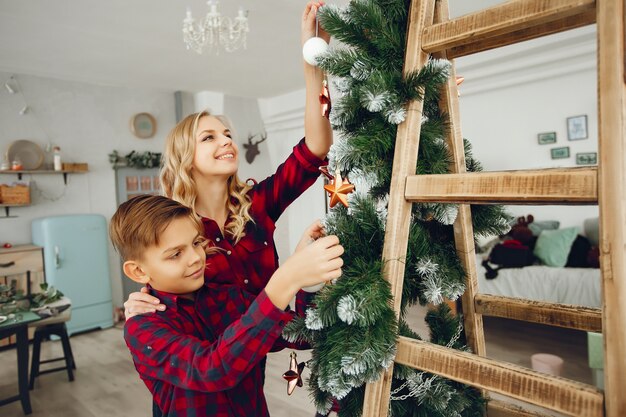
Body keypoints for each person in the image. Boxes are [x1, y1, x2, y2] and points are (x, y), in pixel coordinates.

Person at [124, 0, 332, 324]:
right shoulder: (173, 229)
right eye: (208, 138)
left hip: (264, 351)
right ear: (185, 159)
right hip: (214, 363)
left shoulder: (258, 204)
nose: (226, 141)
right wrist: (141, 301)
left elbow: (316, 148)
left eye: (226, 134)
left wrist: (313, 62)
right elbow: (160, 281)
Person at [110, 194, 343, 417]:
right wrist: (284, 282)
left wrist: (308, 283)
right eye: (175, 254)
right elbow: (211, 370)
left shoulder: (228, 297)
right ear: (138, 271)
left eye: (196, 243)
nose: (195, 257)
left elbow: (301, 335)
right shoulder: (143, 328)